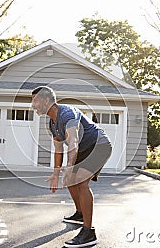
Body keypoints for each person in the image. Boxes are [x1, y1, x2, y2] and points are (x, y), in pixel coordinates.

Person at [31, 86, 112, 247]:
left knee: (81, 183)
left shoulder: (67, 114)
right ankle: (80, 214)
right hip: (84, 149)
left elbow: (73, 142)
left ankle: (89, 232)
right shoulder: (52, 123)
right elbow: (58, 149)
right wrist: (56, 173)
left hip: (98, 146)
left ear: (46, 101)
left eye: (35, 100)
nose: (32, 104)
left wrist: (68, 168)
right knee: (70, 181)